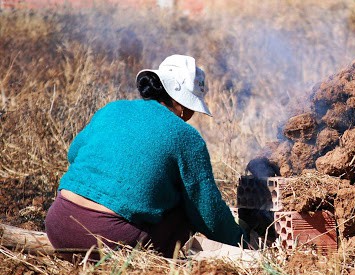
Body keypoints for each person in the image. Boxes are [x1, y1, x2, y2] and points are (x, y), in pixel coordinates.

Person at [44, 54, 247, 257]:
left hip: (58, 225)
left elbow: (74, 154)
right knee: (185, 209)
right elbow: (207, 210)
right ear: (182, 104)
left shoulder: (113, 109)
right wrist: (240, 241)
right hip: (106, 240)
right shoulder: (186, 136)